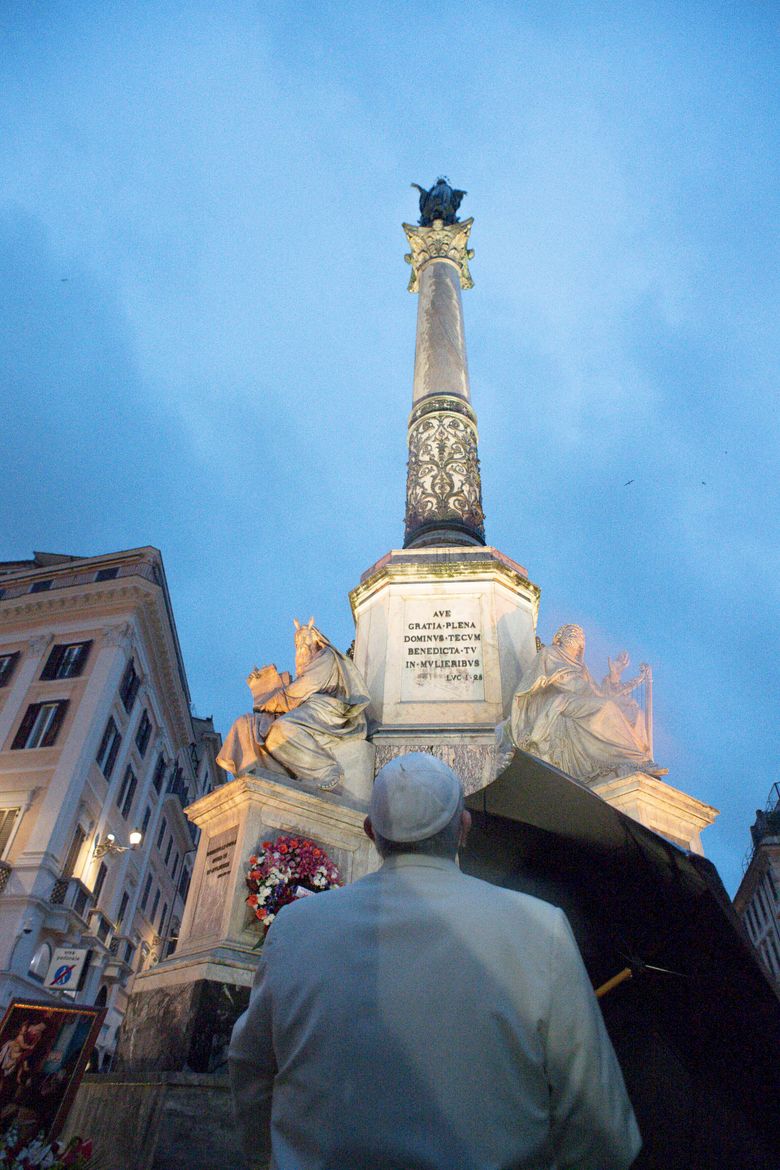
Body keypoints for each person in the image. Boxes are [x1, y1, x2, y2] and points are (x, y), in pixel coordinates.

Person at [229, 752, 641, 1170]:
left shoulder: (296, 927)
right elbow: (601, 1128)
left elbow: (251, 1071)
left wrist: (272, 1157)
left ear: (371, 831)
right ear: (464, 828)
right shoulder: (540, 927)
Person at [497, 624, 662, 784]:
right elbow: (567, 682)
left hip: (579, 700)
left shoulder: (581, 666)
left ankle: (636, 760)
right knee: (606, 707)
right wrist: (603, 698)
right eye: (571, 632)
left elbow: (599, 691)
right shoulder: (551, 653)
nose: (577, 635)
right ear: (560, 638)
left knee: (635, 713)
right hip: (563, 702)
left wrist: (614, 676)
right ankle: (631, 758)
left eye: (580, 634)